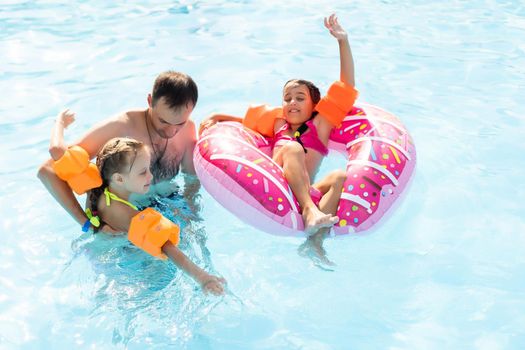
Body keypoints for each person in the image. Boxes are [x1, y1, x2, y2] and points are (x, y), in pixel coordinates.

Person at [199, 14, 356, 264]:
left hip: (306, 189)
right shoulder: (277, 123)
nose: (292, 102)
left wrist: (342, 41)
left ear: (315, 104)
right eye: (287, 97)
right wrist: (218, 116)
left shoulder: (321, 123)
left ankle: (314, 243)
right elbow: (244, 124)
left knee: (339, 177)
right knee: (292, 148)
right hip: (280, 188)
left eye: (300, 97)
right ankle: (309, 210)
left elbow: (346, 86)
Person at [49, 109, 226, 295]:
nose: (151, 176)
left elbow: (58, 152)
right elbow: (165, 245)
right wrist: (202, 278)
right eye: (142, 173)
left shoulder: (96, 184)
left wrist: (60, 122)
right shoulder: (124, 212)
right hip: (115, 261)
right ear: (119, 179)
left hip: (102, 247)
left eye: (148, 169)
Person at [38, 71, 199, 234]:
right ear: (150, 101)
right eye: (163, 121)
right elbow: (48, 170)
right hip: (121, 222)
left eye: (180, 123)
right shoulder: (120, 128)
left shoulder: (188, 130)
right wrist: (87, 223)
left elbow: (192, 181)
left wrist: (191, 215)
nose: (171, 131)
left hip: (167, 209)